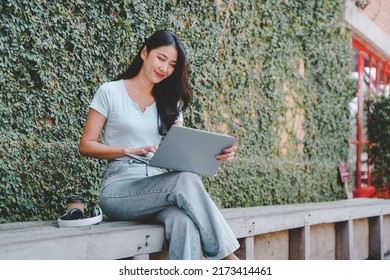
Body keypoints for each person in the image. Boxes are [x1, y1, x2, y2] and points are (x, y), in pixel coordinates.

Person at [79, 30, 240, 260]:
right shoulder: (110, 92)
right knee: (184, 180)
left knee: (184, 221)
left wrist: (218, 152)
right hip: (119, 189)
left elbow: (184, 151)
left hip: (157, 187)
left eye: (172, 64)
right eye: (161, 58)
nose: (164, 68)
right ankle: (229, 259)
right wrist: (126, 150)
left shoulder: (170, 102)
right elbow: (86, 144)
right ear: (145, 53)